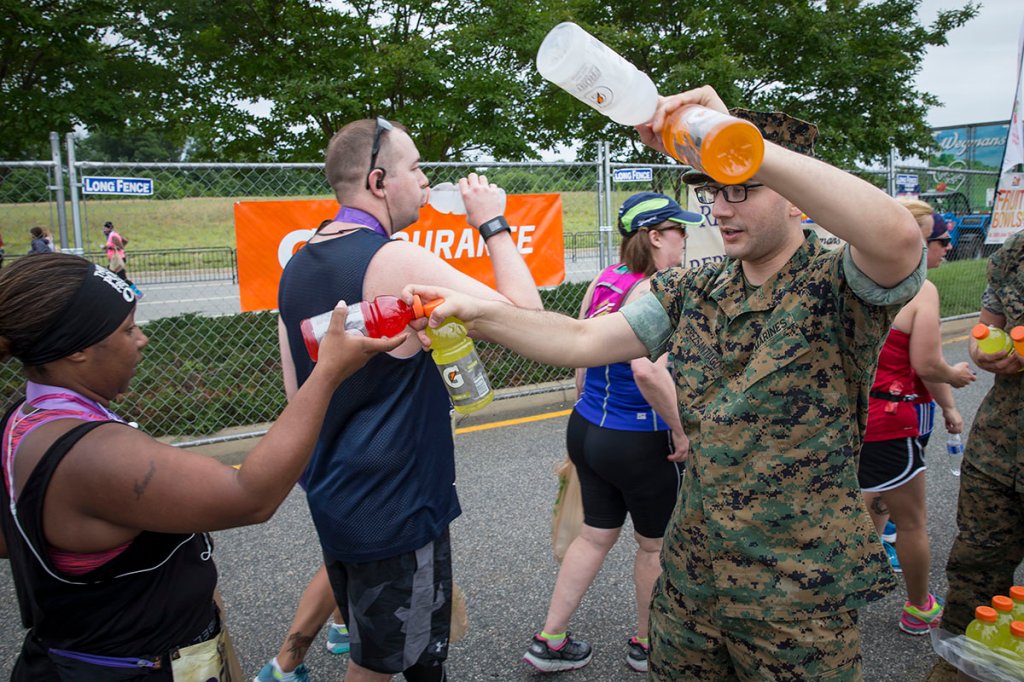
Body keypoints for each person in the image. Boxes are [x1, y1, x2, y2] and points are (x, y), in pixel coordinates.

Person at [406, 86, 926, 680]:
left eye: (741, 190)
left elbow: (899, 240)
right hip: (691, 585)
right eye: (711, 193)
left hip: (796, 596)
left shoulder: (839, 283)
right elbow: (579, 342)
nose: (720, 211)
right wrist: (476, 312)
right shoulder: (693, 286)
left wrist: (740, 144)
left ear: (797, 200)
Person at [0, 252, 404, 680]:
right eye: (127, 329)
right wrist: (327, 374)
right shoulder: (93, 454)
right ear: (77, 350)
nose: (142, 340)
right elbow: (249, 497)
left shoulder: (25, 418)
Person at [274, 116, 541, 682]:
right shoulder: (390, 258)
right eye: (415, 168)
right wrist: (491, 222)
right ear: (378, 182)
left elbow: (298, 394)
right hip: (395, 506)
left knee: (407, 658)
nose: (425, 181)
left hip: (338, 498)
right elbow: (530, 318)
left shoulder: (297, 264)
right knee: (378, 668)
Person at [522, 192, 694, 675]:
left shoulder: (605, 278)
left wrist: (587, 410)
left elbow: (581, 351)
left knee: (596, 536)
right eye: (679, 230)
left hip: (588, 426)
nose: (685, 239)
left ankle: (549, 639)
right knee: (654, 545)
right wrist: (681, 433)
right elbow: (648, 373)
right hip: (638, 436)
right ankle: (646, 644)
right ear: (656, 236)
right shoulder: (656, 290)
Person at [856, 198, 974, 637]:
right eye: (941, 240)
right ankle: (919, 606)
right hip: (893, 421)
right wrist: (955, 376)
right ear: (920, 241)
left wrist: (946, 406)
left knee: (854, 509)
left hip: (850, 415)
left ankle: (838, 601)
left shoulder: (849, 277)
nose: (945, 248)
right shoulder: (920, 288)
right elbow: (928, 363)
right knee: (911, 522)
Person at [928, 228, 1024, 680]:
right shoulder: (1017, 251)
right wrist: (983, 351)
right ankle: (961, 663)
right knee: (975, 565)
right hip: (1001, 448)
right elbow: (986, 327)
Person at [103, 221, 142, 298]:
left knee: (121, 278)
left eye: (105, 228)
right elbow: (125, 241)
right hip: (115, 260)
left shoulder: (113, 236)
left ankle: (138, 293)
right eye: (103, 228)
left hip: (118, 260)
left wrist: (108, 247)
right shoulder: (113, 234)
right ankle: (120, 294)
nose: (104, 230)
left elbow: (121, 246)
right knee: (110, 276)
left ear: (110, 228)